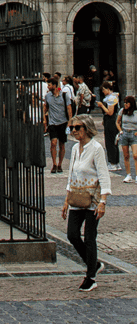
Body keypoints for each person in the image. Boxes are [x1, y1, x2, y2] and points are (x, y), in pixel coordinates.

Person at [62, 116, 111, 292]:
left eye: (77, 127)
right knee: (72, 235)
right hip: (77, 198)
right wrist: (66, 199)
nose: (74, 131)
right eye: (72, 128)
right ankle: (94, 264)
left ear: (87, 128)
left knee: (90, 238)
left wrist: (103, 202)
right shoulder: (75, 148)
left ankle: (91, 277)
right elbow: (72, 174)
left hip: (93, 200)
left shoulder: (96, 149)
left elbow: (104, 175)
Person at [44, 76, 73, 173]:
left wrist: (70, 121)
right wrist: (44, 119)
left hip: (63, 122)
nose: (48, 87)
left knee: (62, 144)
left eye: (49, 85)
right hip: (52, 123)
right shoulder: (47, 96)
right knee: (53, 143)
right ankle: (54, 164)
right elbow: (46, 107)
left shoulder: (64, 95)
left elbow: (69, 108)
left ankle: (60, 164)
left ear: (54, 85)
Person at [97, 81, 121, 170]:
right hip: (110, 120)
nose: (103, 92)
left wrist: (101, 106)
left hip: (111, 120)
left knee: (110, 142)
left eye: (104, 90)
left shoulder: (111, 98)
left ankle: (112, 162)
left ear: (108, 89)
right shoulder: (113, 96)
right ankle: (116, 162)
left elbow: (110, 112)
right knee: (113, 141)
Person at [116, 94, 137, 182]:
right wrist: (120, 130)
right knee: (126, 156)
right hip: (124, 133)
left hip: (134, 134)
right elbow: (117, 122)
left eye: (127, 103)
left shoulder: (135, 113)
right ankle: (128, 175)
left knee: (135, 155)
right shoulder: (122, 111)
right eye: (124, 103)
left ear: (131, 104)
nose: (125, 104)